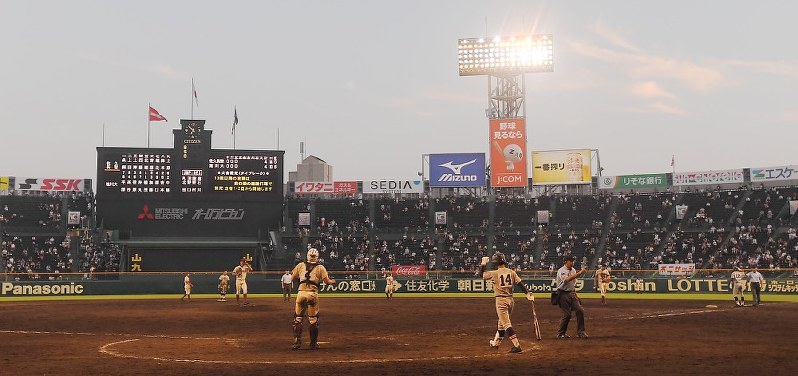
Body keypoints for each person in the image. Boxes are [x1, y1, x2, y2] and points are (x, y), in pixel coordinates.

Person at [480, 252, 534, 354]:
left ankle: (517, 345)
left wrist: (483, 264)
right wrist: (527, 293)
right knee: (501, 324)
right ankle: (496, 343)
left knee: (506, 324)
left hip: (501, 301)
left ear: (496, 262)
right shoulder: (511, 272)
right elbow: (520, 284)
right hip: (510, 301)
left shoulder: (494, 273)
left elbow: (482, 275)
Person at [291, 248, 336, 350]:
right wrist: (333, 281)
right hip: (312, 293)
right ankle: (313, 343)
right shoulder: (320, 267)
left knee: (298, 319)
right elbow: (327, 281)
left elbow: (292, 279)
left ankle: (297, 342)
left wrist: (301, 278)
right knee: (313, 320)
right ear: (317, 257)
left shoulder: (300, 265)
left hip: (301, 293)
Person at [555, 255, 588, 339]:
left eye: (573, 261)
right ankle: (561, 333)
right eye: (571, 261)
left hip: (572, 293)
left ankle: (581, 332)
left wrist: (576, 295)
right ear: (565, 262)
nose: (572, 263)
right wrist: (580, 272)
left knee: (580, 310)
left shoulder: (573, 270)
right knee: (567, 314)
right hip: (562, 294)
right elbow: (567, 280)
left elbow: (572, 284)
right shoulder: (561, 270)